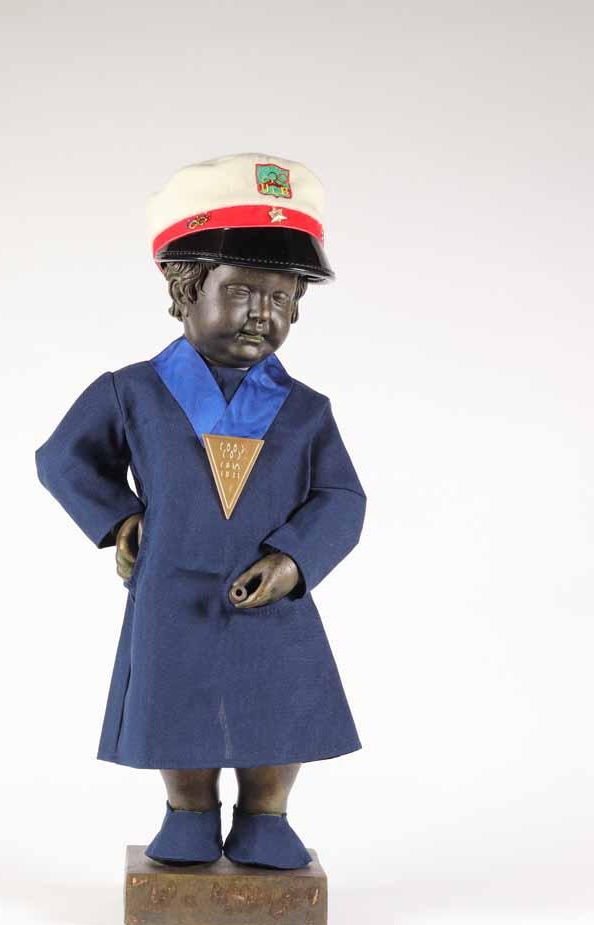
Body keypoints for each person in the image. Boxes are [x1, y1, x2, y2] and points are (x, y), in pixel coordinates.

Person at [35, 153, 367, 869]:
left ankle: (265, 817)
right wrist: (119, 519)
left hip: (271, 597)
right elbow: (63, 458)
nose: (262, 312)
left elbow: (342, 496)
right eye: (241, 289)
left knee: (275, 706)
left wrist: (294, 561)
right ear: (186, 291)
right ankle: (187, 813)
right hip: (173, 587)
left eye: (281, 297)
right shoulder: (131, 391)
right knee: (177, 703)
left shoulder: (306, 411)